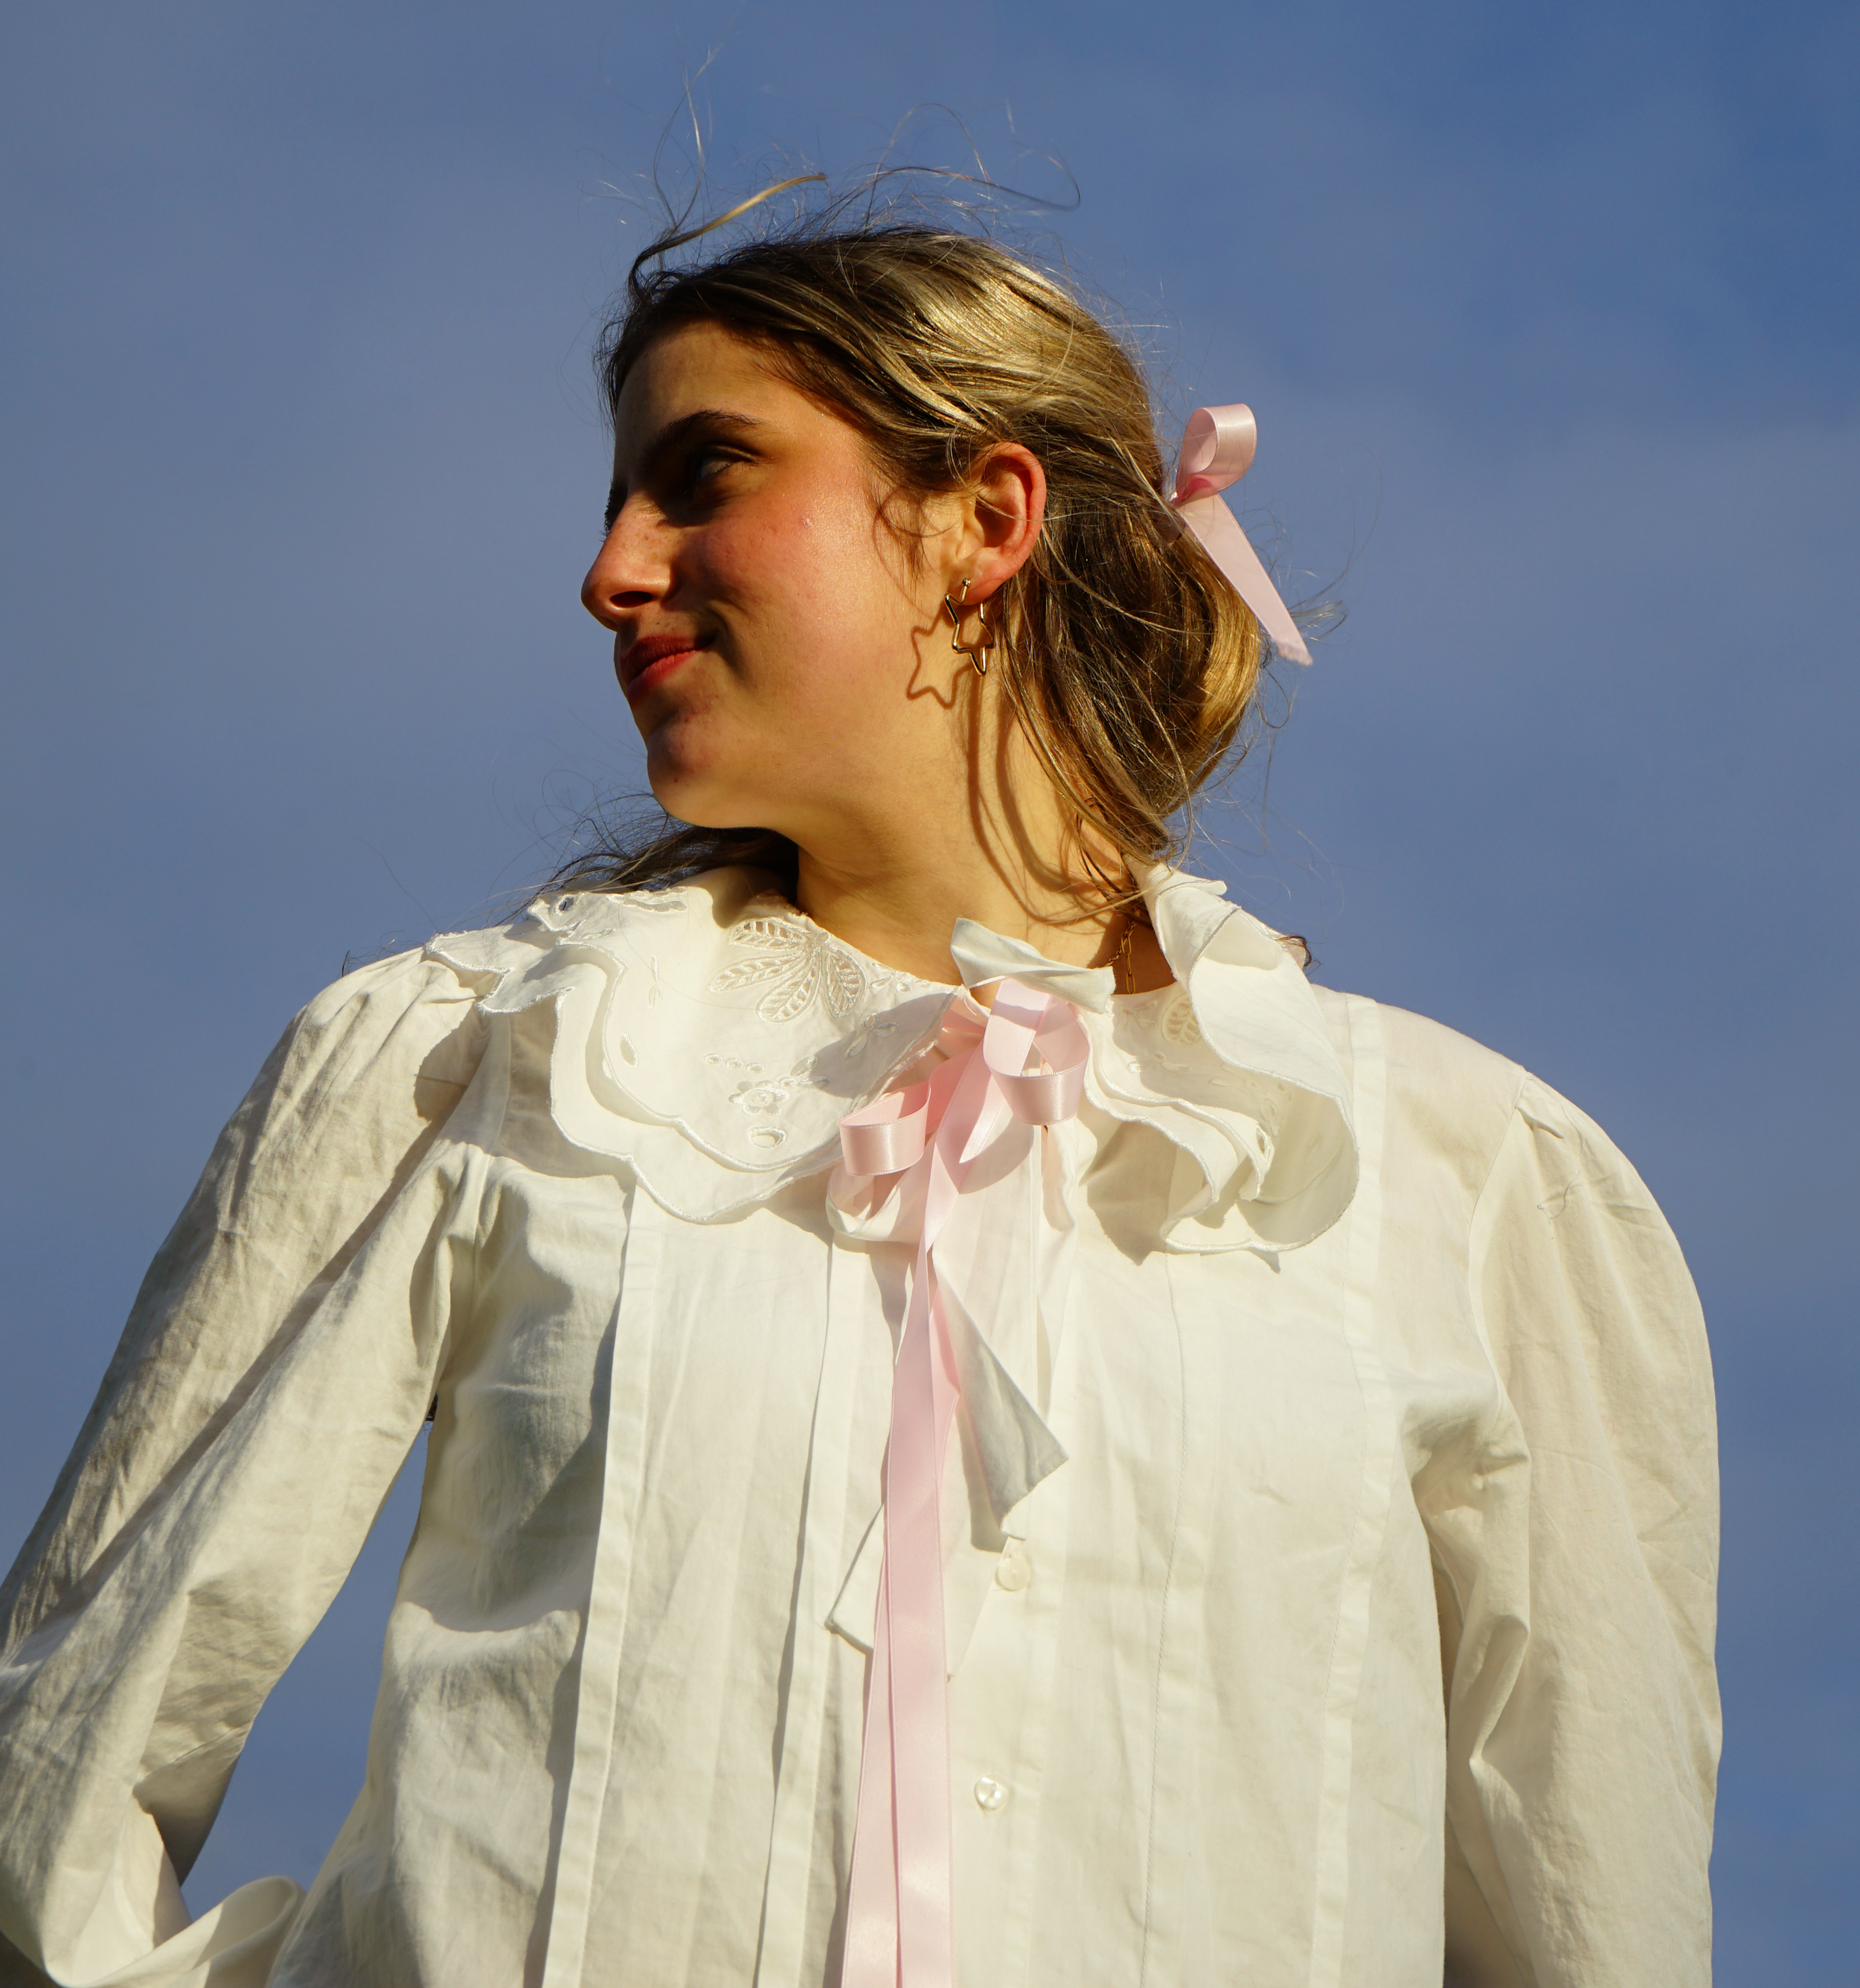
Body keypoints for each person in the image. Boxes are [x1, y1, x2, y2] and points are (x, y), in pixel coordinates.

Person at [0, 203, 1719, 1988]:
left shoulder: (1472, 1179)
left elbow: (1598, 1918)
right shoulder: (468, 1061)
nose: (611, 571)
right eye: (617, 501)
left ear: (981, 519)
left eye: (702, 473)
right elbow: (53, 1798)